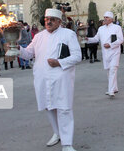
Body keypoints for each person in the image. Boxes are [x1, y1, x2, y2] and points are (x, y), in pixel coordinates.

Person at [19, 8, 81, 151]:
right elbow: (28, 54)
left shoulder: (68, 34)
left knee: (63, 108)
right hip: (42, 78)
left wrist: (59, 62)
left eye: (52, 19)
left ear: (59, 21)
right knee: (48, 106)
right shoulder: (39, 36)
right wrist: (16, 48)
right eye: (47, 19)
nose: (49, 22)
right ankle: (57, 133)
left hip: (61, 78)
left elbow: (77, 57)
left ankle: (67, 143)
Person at [87, 11, 124, 98]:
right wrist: (88, 39)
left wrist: (110, 45)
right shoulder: (101, 29)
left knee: (113, 70)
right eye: (104, 17)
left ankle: (110, 90)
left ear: (111, 19)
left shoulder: (117, 28)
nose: (105, 19)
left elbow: (120, 40)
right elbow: (96, 39)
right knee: (108, 71)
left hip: (114, 52)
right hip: (105, 53)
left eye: (107, 17)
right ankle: (114, 88)